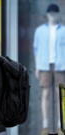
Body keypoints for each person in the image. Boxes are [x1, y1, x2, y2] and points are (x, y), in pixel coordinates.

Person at [33, 4, 65, 135]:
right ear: (47, 15)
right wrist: (36, 67)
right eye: (50, 14)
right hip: (44, 65)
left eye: (54, 13)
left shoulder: (64, 30)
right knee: (45, 95)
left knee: (61, 96)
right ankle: (45, 126)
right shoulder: (40, 31)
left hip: (61, 66)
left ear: (58, 14)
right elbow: (36, 49)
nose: (52, 16)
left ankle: (60, 126)